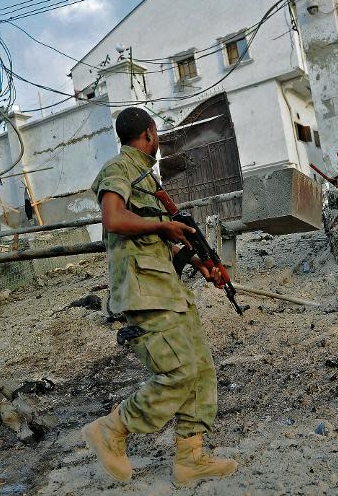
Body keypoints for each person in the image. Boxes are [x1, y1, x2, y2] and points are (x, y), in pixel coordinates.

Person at [83, 107, 238, 485]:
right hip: (143, 293)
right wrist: (164, 224)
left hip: (166, 290)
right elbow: (114, 220)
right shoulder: (118, 170)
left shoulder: (147, 181)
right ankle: (113, 428)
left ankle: (191, 459)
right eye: (157, 135)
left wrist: (201, 264)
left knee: (200, 369)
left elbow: (158, 241)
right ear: (149, 134)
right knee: (179, 371)